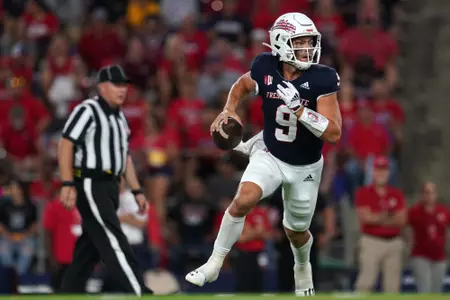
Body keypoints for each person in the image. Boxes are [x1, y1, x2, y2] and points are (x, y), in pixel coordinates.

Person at [185, 12, 342, 296]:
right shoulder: (265, 65)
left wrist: (301, 110)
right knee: (243, 199)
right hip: (269, 152)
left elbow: (333, 132)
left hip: (305, 165)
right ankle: (214, 262)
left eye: (310, 42)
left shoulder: (323, 78)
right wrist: (229, 108)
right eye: (300, 42)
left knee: (296, 231)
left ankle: (302, 265)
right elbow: (243, 85)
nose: (308, 49)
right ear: (281, 43)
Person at [57, 64, 152, 295]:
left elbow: (124, 157)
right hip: (91, 182)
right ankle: (138, 290)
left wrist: (137, 190)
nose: (122, 90)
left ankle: (70, 292)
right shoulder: (87, 110)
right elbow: (66, 143)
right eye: (116, 85)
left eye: (124, 85)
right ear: (101, 87)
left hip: (111, 185)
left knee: (89, 245)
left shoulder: (120, 118)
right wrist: (68, 182)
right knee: (112, 236)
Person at [354, 156, 407, 293]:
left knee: (392, 287)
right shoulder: (364, 192)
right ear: (373, 172)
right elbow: (366, 218)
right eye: (378, 170)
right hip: (371, 241)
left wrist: (378, 217)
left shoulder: (396, 194)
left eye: (384, 170)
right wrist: (389, 216)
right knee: (366, 283)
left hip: (393, 242)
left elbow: (401, 220)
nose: (381, 173)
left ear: (389, 172)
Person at [408, 181, 449, 293]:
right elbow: (403, 226)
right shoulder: (414, 211)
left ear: (436, 194)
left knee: (436, 292)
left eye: (432, 192)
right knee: (424, 291)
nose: (430, 196)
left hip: (439, 258)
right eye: (427, 192)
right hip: (421, 257)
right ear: (422, 195)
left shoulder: (443, 211)